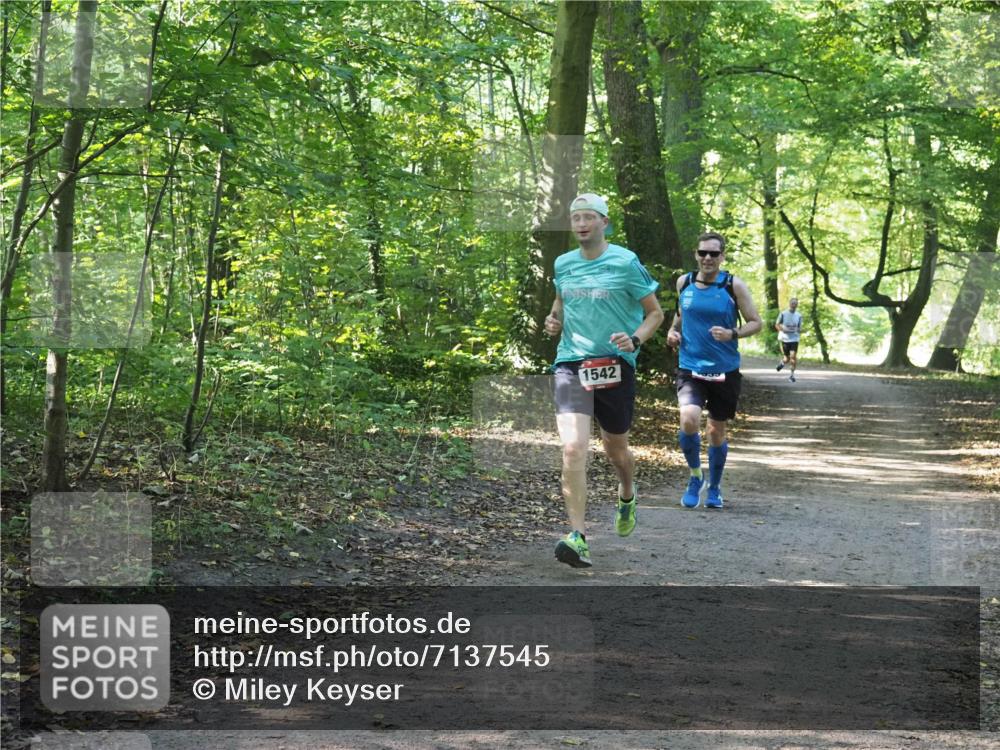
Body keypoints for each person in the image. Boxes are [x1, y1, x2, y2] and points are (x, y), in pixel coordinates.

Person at [543, 193, 664, 568]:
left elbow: (655, 313)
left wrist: (636, 338)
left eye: (588, 217)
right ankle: (577, 536)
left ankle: (627, 492)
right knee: (574, 448)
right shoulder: (563, 264)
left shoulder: (626, 262)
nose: (580, 224)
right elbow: (559, 306)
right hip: (571, 363)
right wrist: (553, 321)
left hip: (614, 364)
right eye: (575, 217)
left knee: (616, 450)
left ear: (604, 223)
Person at [665, 232, 762, 509]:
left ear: (723, 256)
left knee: (716, 431)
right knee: (688, 419)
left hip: (724, 370)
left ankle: (715, 487)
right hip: (690, 366)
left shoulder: (733, 286)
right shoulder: (684, 282)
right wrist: (673, 332)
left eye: (714, 254)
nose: (708, 258)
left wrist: (732, 333)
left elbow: (756, 323)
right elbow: (680, 317)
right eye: (703, 253)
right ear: (696, 255)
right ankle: (696, 476)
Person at [775, 298, 803, 382]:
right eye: (793, 303)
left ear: (797, 305)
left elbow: (799, 328)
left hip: (794, 338)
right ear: (789, 304)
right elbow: (776, 325)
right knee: (786, 358)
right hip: (785, 339)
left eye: (795, 303)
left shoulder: (799, 315)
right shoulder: (783, 314)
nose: (794, 305)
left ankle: (792, 375)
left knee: (793, 357)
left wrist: (799, 330)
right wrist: (782, 330)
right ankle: (782, 363)